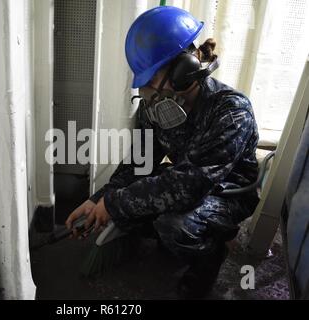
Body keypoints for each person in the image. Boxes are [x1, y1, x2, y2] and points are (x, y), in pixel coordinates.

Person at [66, 6, 259, 299]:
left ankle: (208, 258)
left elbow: (189, 186)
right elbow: (138, 164)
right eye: (148, 85)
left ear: (185, 67)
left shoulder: (231, 111)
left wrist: (116, 204)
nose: (152, 93)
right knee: (136, 201)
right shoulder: (157, 107)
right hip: (184, 178)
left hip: (227, 191)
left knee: (176, 224)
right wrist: (99, 199)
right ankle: (166, 237)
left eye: (156, 80)